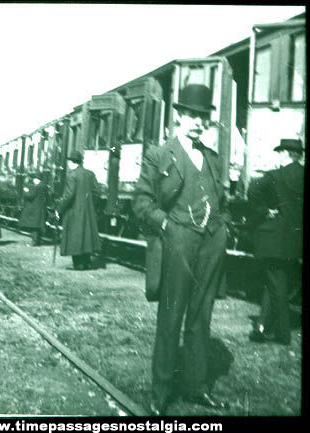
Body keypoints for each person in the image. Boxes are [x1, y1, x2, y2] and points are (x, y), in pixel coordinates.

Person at [133, 84, 230, 414]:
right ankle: (161, 393)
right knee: (170, 318)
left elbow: (222, 200)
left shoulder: (212, 158)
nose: (197, 122)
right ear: (179, 117)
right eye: (191, 115)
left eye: (202, 116)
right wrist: (166, 226)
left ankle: (196, 386)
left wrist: (223, 229)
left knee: (201, 318)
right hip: (178, 242)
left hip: (210, 245)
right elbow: (142, 202)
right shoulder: (159, 154)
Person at [247, 138, 304, 346]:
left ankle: (282, 334)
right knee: (278, 282)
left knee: (276, 284)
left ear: (287, 154)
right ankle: (261, 326)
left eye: (280, 152)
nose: (278, 156)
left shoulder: (275, 176)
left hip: (273, 240)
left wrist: (265, 211)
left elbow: (252, 190)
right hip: (294, 241)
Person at [56, 150, 101, 270]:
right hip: (88, 211)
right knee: (86, 236)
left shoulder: (72, 175)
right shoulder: (90, 174)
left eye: (69, 161)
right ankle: (87, 262)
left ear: (72, 162)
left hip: (74, 211)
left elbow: (69, 195)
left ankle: (79, 264)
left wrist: (60, 208)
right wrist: (91, 205)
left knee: (75, 237)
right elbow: (97, 192)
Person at [19, 173, 47, 246]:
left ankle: (34, 242)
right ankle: (38, 242)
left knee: (34, 226)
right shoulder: (43, 186)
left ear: (36, 179)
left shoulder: (37, 187)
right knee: (38, 226)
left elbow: (30, 196)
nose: (33, 181)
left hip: (35, 209)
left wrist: (25, 191)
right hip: (40, 209)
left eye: (34, 179)